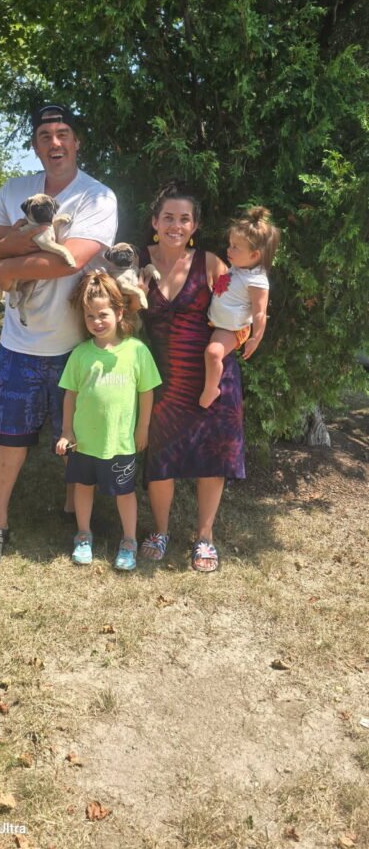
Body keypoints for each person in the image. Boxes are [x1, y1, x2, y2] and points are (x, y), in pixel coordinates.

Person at [0, 103, 118, 570]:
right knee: (9, 435)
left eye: (63, 133)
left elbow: (71, 261)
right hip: (20, 343)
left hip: (77, 343)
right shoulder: (14, 190)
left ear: (76, 142)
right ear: (35, 146)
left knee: (77, 436)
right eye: (45, 136)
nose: (55, 143)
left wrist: (9, 265)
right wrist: (8, 252)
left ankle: (78, 520)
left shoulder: (97, 197)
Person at [138, 181, 246, 573]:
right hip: (163, 381)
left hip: (211, 381)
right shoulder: (136, 261)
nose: (176, 226)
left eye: (184, 219)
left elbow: (240, 316)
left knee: (211, 459)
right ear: (155, 222)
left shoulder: (211, 264)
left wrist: (227, 347)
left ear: (195, 225)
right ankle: (160, 531)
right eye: (168, 217)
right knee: (160, 457)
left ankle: (205, 536)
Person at [56, 272, 161, 571]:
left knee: (124, 492)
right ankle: (83, 535)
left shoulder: (137, 351)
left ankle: (129, 541)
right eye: (90, 316)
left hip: (120, 442)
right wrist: (66, 431)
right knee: (82, 487)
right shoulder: (80, 354)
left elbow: (147, 392)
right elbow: (70, 395)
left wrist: (142, 428)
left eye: (103, 314)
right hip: (83, 442)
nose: (96, 321)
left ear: (119, 312)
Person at [199, 206, 281, 408]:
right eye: (230, 244)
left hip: (233, 329)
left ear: (254, 255)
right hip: (218, 322)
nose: (229, 250)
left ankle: (211, 389)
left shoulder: (257, 281)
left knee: (213, 353)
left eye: (235, 247)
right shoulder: (239, 268)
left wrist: (256, 338)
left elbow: (260, 313)